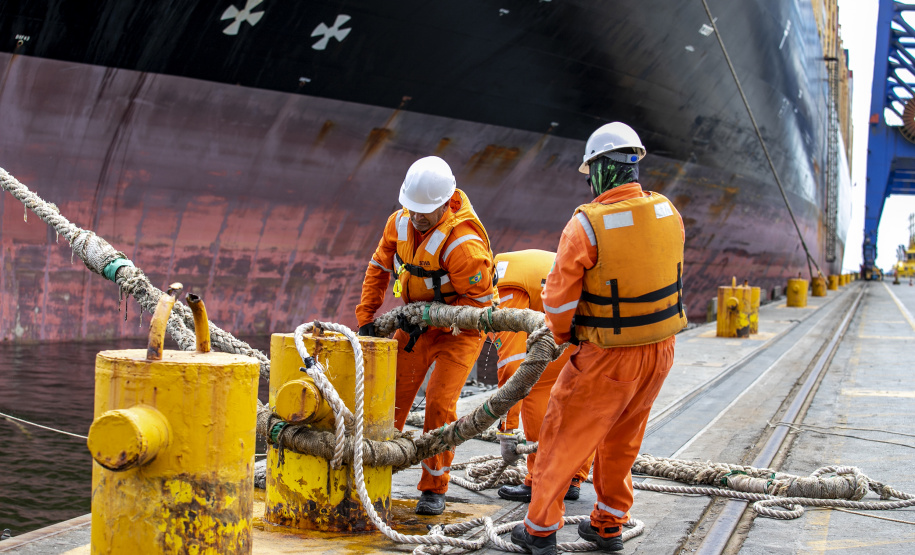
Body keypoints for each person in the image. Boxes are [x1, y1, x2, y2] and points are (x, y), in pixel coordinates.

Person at [511, 122, 686, 554]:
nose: (589, 180)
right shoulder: (668, 211)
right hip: (660, 350)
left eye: (591, 170)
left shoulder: (586, 226)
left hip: (607, 355)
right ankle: (609, 524)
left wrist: (564, 338)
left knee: (562, 435)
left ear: (604, 168)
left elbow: (557, 301)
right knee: (623, 437)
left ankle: (539, 530)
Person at [356, 156, 496, 516]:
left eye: (426, 211)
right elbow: (378, 266)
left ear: (445, 204)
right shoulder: (398, 223)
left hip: (458, 334)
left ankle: (434, 487)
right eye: (412, 209)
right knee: (389, 402)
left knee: (439, 406)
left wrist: (441, 318)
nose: (417, 217)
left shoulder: (463, 246)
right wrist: (367, 317)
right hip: (414, 328)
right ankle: (373, 472)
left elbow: (479, 308)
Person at [490, 249, 594, 503]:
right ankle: (572, 478)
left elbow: (513, 366)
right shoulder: (511, 264)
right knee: (576, 401)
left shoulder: (505, 287)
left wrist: (508, 431)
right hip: (592, 328)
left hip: (571, 328)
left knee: (534, 387)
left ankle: (539, 479)